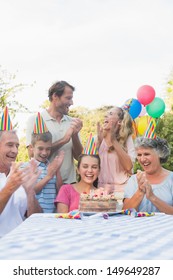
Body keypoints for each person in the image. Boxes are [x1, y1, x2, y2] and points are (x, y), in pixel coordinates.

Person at [26, 80, 83, 184]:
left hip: (69, 184)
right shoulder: (35, 120)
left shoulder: (72, 122)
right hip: (44, 185)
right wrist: (64, 140)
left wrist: (74, 135)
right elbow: (31, 155)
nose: (72, 103)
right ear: (55, 97)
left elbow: (79, 157)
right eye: (68, 98)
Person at [0, 130, 42, 237]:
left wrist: (30, 192)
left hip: (21, 241)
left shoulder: (19, 176)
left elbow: (37, 218)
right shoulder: (15, 180)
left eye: (17, 146)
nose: (15, 151)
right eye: (10, 145)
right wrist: (9, 188)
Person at [123, 137, 173, 214]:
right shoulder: (134, 180)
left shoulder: (171, 179)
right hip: (140, 226)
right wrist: (140, 192)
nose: (142, 159)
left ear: (160, 154)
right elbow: (125, 212)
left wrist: (152, 197)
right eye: (139, 155)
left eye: (146, 154)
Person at [97, 106, 136, 195]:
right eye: (106, 114)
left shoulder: (127, 139)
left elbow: (129, 167)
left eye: (110, 114)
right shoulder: (99, 138)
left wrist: (113, 140)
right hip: (102, 191)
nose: (105, 116)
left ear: (119, 122)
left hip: (122, 192)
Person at [29, 131, 64, 213]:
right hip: (34, 215)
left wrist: (57, 170)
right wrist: (48, 176)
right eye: (40, 148)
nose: (44, 153)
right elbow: (31, 191)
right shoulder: (26, 167)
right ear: (32, 147)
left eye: (48, 149)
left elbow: (60, 191)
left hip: (51, 216)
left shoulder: (51, 167)